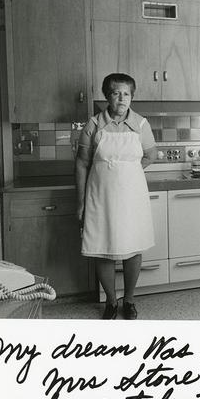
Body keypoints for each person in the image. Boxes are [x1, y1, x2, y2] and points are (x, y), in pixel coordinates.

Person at [75, 73, 158, 319]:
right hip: (100, 195)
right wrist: (80, 202)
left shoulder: (141, 124)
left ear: (132, 97)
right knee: (103, 248)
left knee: (133, 248)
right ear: (107, 96)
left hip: (132, 197)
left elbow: (151, 156)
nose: (121, 98)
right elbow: (81, 163)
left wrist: (126, 172)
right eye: (115, 93)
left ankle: (129, 300)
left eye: (126, 94)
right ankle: (111, 301)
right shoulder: (93, 124)